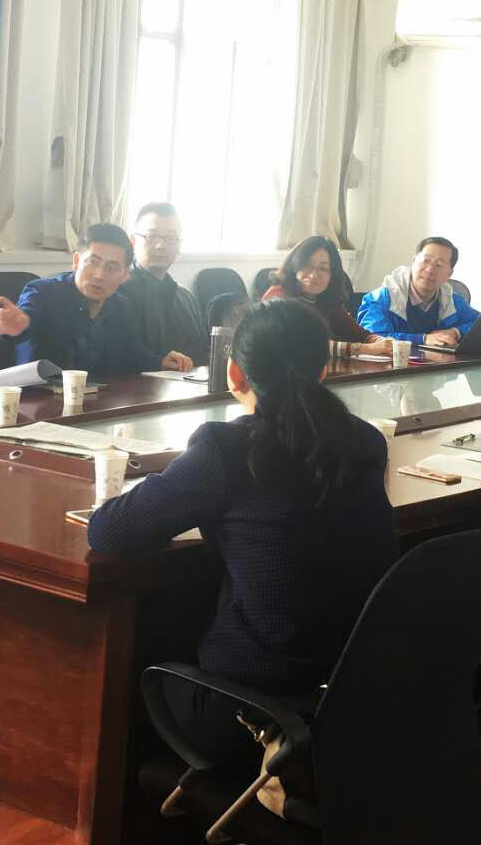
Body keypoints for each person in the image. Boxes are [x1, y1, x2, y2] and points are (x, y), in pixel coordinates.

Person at [87, 298, 397, 764]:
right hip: (349, 692)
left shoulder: (227, 449)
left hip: (247, 706)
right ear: (323, 371)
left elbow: (110, 532)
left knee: (139, 648)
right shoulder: (365, 440)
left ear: (234, 373)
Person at [0, 223, 194, 374]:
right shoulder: (41, 293)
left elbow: (131, 352)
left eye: (111, 267)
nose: (99, 275)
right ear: (76, 261)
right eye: (92, 262)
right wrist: (20, 327)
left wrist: (160, 362)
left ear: (125, 275)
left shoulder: (122, 305)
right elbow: (27, 321)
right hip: (39, 403)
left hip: (96, 405)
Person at [261, 236, 390, 356]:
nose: (313, 275)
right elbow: (307, 345)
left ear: (332, 275)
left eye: (323, 269)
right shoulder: (278, 297)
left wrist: (386, 343)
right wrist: (367, 349)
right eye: (307, 265)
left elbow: (362, 335)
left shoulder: (325, 300)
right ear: (294, 266)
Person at [115, 202, 207, 365]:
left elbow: (200, 355)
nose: (160, 246)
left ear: (179, 245)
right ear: (132, 241)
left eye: (170, 238)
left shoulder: (185, 297)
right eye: (152, 236)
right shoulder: (117, 293)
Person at [358, 236, 480, 347]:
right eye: (426, 261)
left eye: (439, 265)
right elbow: (372, 338)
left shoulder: (450, 300)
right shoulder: (381, 299)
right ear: (414, 261)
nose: (430, 270)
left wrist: (455, 332)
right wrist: (423, 339)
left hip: (436, 363)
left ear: (449, 274)